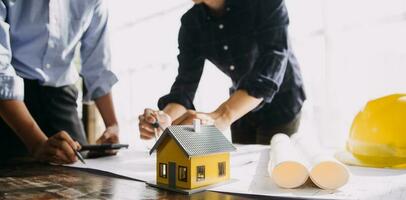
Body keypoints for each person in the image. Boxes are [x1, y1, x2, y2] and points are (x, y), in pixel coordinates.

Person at [139, 0, 306, 145]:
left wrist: (221, 116)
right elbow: (185, 86)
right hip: (239, 104)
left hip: (282, 102)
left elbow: (272, 61)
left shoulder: (263, 3)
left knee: (277, 167)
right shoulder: (191, 23)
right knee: (243, 172)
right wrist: (164, 119)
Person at [0, 0, 119, 164]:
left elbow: (97, 67)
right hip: (10, 104)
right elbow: (1, 71)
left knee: (80, 173)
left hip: (62, 98)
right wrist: (36, 144)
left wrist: (112, 125)